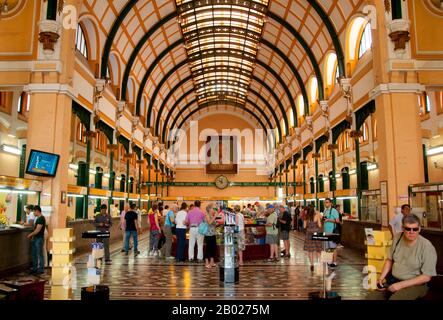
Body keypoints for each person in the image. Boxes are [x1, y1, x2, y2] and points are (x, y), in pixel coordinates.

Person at [367, 214, 437, 300]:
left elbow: (426, 277)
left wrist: (400, 285)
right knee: (371, 297)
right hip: (393, 281)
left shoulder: (426, 246)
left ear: (419, 229)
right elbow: (389, 260)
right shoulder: (397, 238)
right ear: (403, 228)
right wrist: (381, 278)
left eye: (415, 229)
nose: (411, 232)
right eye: (408, 229)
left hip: (415, 284)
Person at [26, 205, 45, 275]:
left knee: (39, 254)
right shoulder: (37, 218)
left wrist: (30, 235)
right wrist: (33, 237)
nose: (33, 213)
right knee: (34, 254)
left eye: (34, 211)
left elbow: (37, 230)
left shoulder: (41, 219)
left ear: (37, 211)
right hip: (35, 238)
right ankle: (34, 268)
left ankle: (41, 269)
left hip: (39, 239)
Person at [303, 205, 322, 271]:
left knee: (310, 250)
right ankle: (320, 264)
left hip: (309, 235)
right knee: (318, 250)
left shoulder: (306, 217)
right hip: (316, 234)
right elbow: (320, 225)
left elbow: (304, 226)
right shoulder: (317, 215)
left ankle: (312, 264)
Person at [323, 198, 340, 267]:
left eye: (327, 202)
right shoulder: (325, 210)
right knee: (328, 247)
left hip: (332, 231)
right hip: (326, 231)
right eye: (325, 202)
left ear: (330, 203)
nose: (325, 204)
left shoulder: (334, 211)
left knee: (333, 247)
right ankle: (330, 261)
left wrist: (329, 220)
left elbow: (337, 221)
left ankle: (335, 262)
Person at [204, 203, 218, 269]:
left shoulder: (212, 216)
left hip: (213, 233)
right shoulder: (206, 215)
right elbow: (209, 223)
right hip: (208, 234)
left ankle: (212, 261)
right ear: (209, 209)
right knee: (208, 248)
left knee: (213, 248)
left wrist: (217, 222)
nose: (214, 210)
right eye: (213, 208)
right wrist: (215, 216)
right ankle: (207, 262)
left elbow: (214, 224)